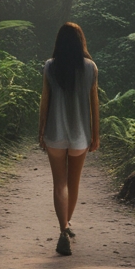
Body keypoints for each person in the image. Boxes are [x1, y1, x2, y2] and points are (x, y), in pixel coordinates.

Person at [38, 21, 100, 256]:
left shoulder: (50, 67)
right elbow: (95, 105)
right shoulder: (90, 68)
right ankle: (66, 226)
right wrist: (96, 135)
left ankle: (63, 228)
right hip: (80, 135)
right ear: (80, 42)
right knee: (73, 183)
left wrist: (41, 130)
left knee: (59, 184)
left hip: (54, 134)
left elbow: (45, 101)